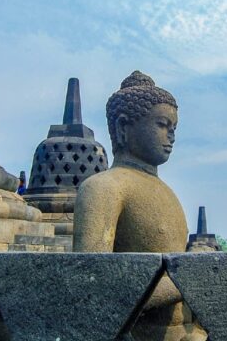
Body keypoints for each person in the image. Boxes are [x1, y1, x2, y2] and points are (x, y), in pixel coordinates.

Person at [73, 71, 206, 341]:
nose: (171, 135)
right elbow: (92, 284)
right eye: (162, 124)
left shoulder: (167, 192)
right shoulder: (105, 188)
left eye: (174, 128)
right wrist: (187, 279)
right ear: (124, 127)